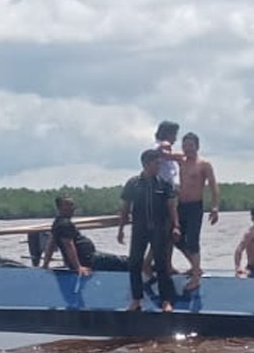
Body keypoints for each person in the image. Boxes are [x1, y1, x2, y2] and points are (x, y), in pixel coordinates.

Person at [118, 148, 179, 311]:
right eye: (156, 163)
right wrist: (121, 229)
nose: (159, 166)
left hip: (159, 228)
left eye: (159, 163)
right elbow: (125, 208)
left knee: (161, 264)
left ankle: (166, 300)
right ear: (146, 164)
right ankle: (136, 299)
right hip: (139, 229)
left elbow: (172, 208)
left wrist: (176, 226)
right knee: (135, 263)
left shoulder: (164, 184)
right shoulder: (133, 183)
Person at [176, 132, 220, 291]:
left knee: (193, 241)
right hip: (181, 205)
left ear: (197, 146)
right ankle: (196, 267)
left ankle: (196, 278)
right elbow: (163, 154)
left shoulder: (204, 164)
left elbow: (214, 186)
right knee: (176, 238)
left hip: (195, 206)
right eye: (185, 146)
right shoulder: (180, 160)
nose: (188, 149)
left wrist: (214, 207)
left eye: (191, 145)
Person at [43, 196, 129, 273]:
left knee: (117, 259)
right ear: (60, 207)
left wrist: (45, 264)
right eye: (69, 205)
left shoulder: (57, 222)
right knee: (128, 262)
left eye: (73, 205)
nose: (73, 208)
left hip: (89, 257)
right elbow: (69, 245)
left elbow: (51, 244)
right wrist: (78, 267)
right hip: (88, 261)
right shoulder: (65, 224)